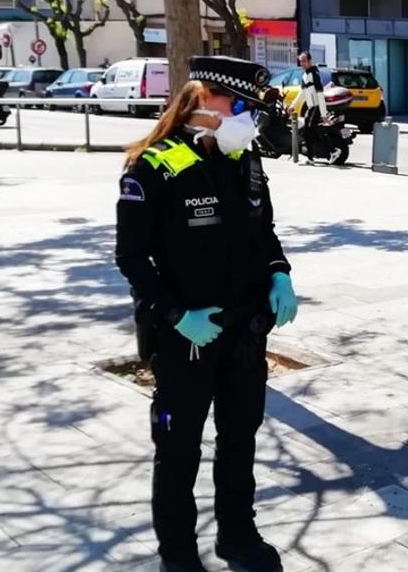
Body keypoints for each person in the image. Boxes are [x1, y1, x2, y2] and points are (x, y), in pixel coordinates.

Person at [115, 56, 298, 572]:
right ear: (207, 103)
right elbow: (132, 257)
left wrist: (280, 274)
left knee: (239, 440)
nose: (250, 120)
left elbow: (265, 233)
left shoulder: (245, 161)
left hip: (245, 332)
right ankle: (177, 553)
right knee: (178, 452)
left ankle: (237, 535)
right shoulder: (155, 167)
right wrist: (174, 315)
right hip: (186, 337)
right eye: (243, 107)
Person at [291, 51, 328, 127]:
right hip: (311, 107)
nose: (302, 64)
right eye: (301, 61)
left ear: (310, 61)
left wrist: (324, 115)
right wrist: (293, 106)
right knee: (306, 129)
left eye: (304, 61)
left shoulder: (315, 74)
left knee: (308, 130)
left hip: (316, 108)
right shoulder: (305, 75)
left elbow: (320, 95)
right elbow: (302, 93)